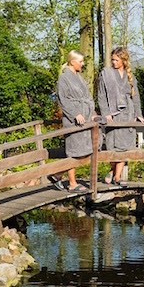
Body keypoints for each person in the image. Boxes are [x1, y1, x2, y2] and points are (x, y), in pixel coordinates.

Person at [98, 47, 144, 186]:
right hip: (113, 115)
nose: (113, 62)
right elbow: (101, 95)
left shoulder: (130, 76)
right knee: (113, 146)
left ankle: (117, 177)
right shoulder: (106, 74)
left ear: (124, 60)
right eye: (112, 60)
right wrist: (106, 113)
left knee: (125, 147)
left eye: (116, 60)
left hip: (128, 115)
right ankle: (112, 171)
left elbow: (135, 97)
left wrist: (138, 114)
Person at [49, 50, 96, 193]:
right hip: (73, 119)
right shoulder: (64, 78)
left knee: (85, 151)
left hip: (85, 117)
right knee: (73, 151)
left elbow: (87, 96)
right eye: (80, 62)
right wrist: (75, 113)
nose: (82, 64)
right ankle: (72, 183)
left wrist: (92, 112)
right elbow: (63, 99)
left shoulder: (79, 77)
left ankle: (57, 175)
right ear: (72, 61)